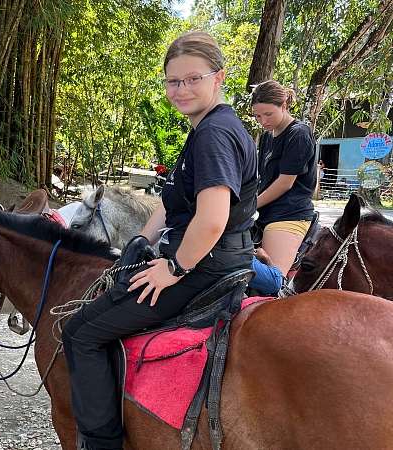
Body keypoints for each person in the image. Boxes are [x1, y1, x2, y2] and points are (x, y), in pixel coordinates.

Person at [62, 31, 257, 450]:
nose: (181, 89)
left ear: (218, 77)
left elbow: (211, 218)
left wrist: (173, 268)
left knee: (80, 332)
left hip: (203, 267)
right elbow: (173, 206)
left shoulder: (213, 135)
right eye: (173, 81)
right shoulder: (211, 127)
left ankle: (102, 443)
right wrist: (138, 242)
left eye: (192, 79)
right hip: (221, 259)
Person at [248, 80, 316, 295]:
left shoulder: (299, 133)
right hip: (265, 212)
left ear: (284, 105)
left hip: (289, 214)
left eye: (268, 114)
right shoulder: (268, 136)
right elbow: (263, 178)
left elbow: (285, 183)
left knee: (271, 282)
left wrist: (250, 205)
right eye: (258, 116)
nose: (263, 121)